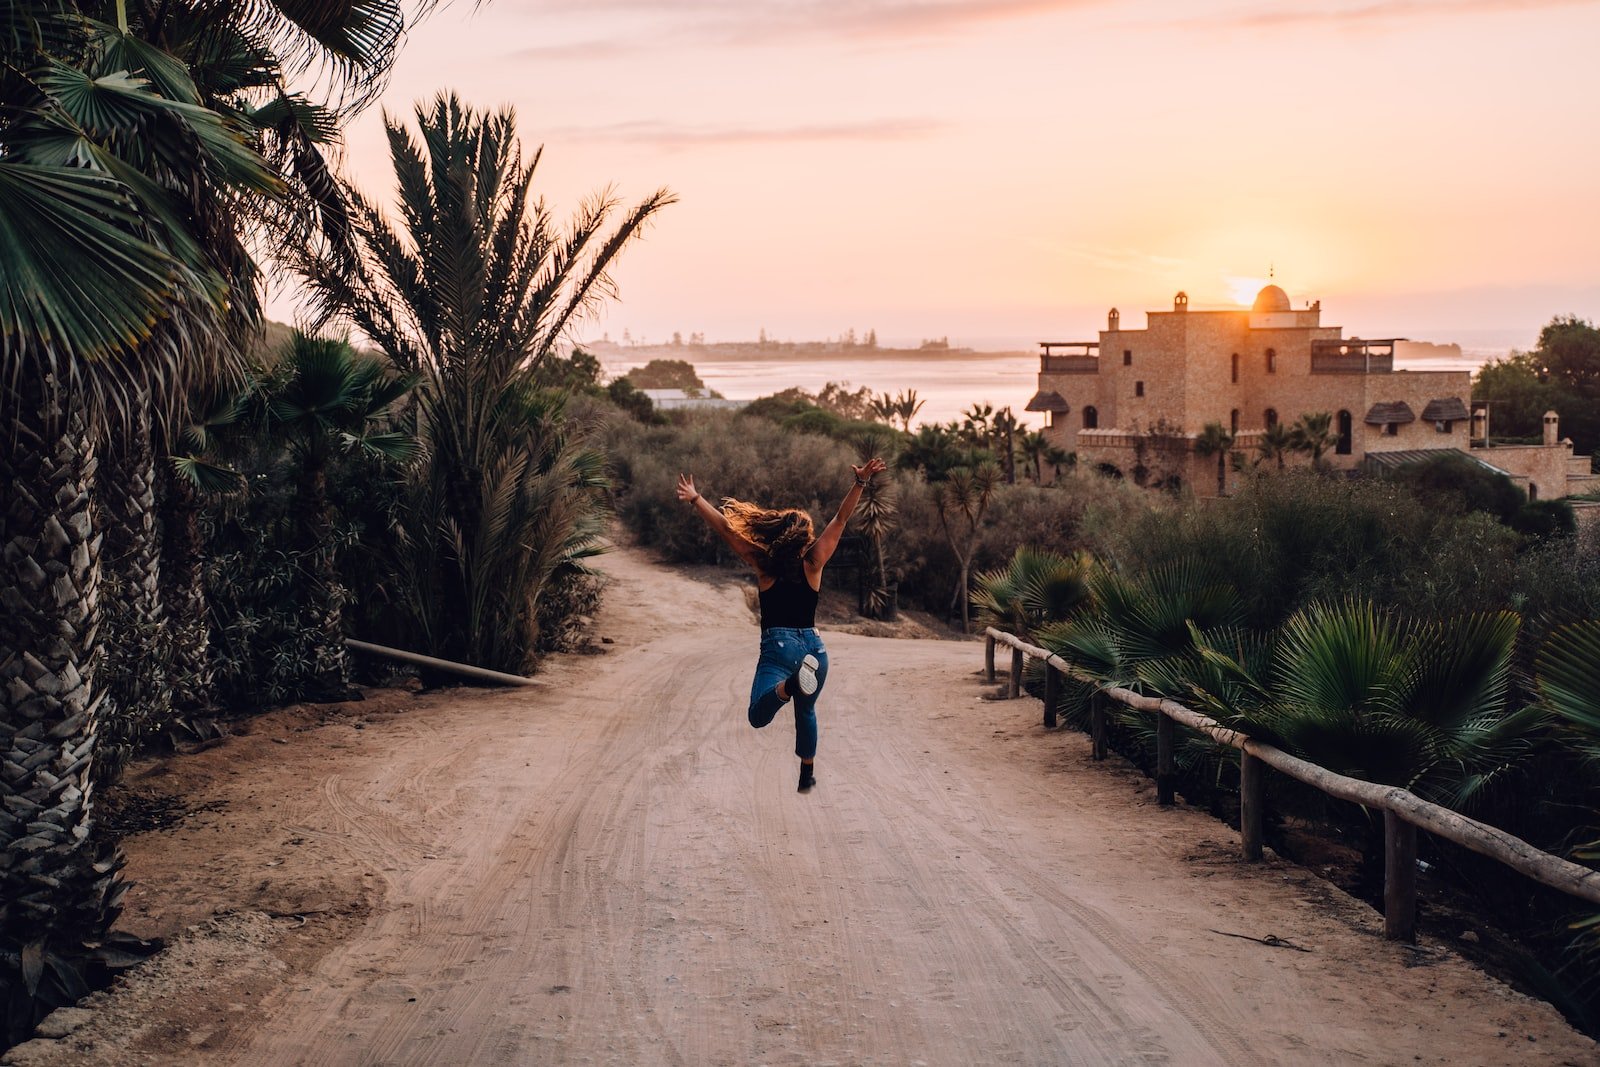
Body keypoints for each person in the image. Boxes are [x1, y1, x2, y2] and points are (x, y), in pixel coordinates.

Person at [676, 457, 888, 793]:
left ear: (779, 535)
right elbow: (842, 518)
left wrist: (697, 499)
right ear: (805, 538)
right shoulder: (815, 562)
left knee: (758, 715)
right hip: (814, 649)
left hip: (779, 649)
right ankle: (807, 773)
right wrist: (860, 482)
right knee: (806, 711)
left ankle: (787, 687)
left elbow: (726, 530)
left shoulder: (764, 564)